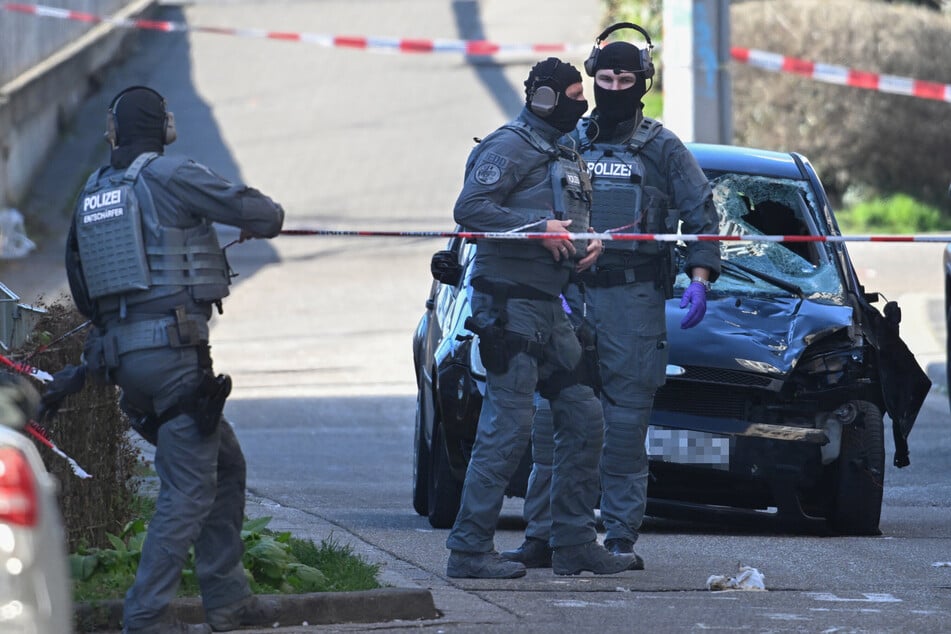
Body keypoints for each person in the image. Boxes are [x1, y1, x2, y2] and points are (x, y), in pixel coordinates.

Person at [64, 85, 285, 634]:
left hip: (125, 359)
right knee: (188, 489)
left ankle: (230, 601)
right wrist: (252, 216)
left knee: (225, 466)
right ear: (164, 125)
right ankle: (147, 615)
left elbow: (78, 279)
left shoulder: (93, 192)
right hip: (174, 358)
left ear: (113, 131)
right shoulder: (174, 174)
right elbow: (264, 213)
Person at [501, 25, 721, 571]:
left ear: (643, 83)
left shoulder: (663, 148)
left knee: (624, 428)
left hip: (632, 302)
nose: (615, 86)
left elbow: (702, 217)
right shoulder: (565, 140)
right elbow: (521, 204)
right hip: (566, 296)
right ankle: (543, 536)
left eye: (626, 78)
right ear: (592, 78)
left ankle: (619, 538)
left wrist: (700, 279)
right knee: (552, 423)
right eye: (605, 77)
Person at [445, 57, 638, 579]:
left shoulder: (565, 150)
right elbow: (471, 208)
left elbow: (569, 221)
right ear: (547, 99)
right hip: (508, 306)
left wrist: (587, 242)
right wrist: (534, 227)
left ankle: (572, 543)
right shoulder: (508, 146)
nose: (584, 102)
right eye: (575, 94)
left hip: (550, 308)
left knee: (584, 417)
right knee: (507, 428)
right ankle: (468, 552)